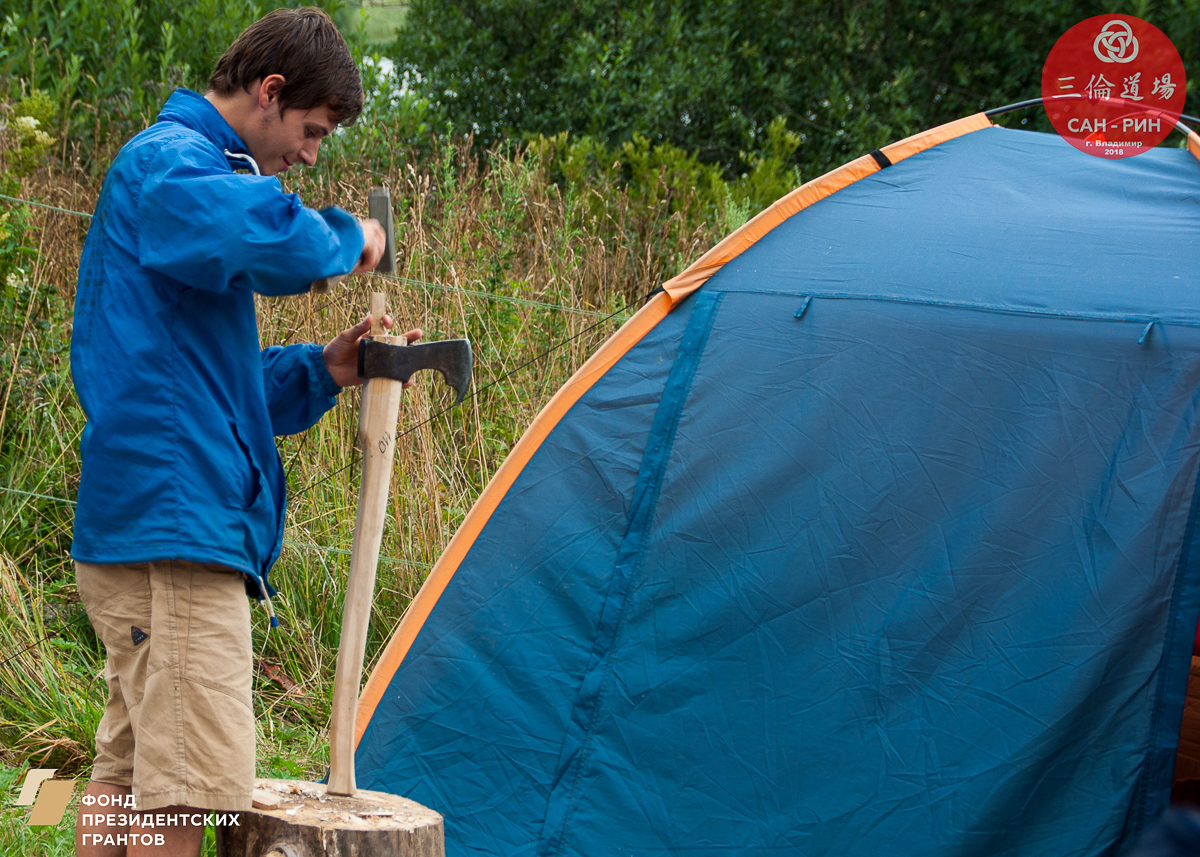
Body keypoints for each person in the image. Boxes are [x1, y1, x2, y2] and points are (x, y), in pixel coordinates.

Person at [69, 9, 416, 856]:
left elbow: (205, 386)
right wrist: (353, 238)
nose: (310, 155)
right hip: (177, 533)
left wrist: (323, 369)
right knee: (186, 793)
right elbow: (261, 230)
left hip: (152, 524)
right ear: (269, 91)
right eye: (312, 130)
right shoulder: (173, 166)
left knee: (130, 777)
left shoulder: (182, 181)